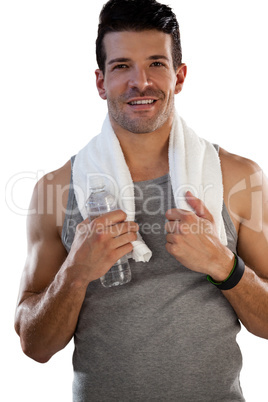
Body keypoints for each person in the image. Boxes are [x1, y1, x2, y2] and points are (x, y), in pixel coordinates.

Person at [14, 0, 268, 400]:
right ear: (100, 82)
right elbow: (35, 345)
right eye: (121, 67)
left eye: (155, 64)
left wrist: (223, 264)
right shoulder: (58, 189)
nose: (140, 82)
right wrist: (76, 272)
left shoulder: (238, 177)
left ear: (179, 76)